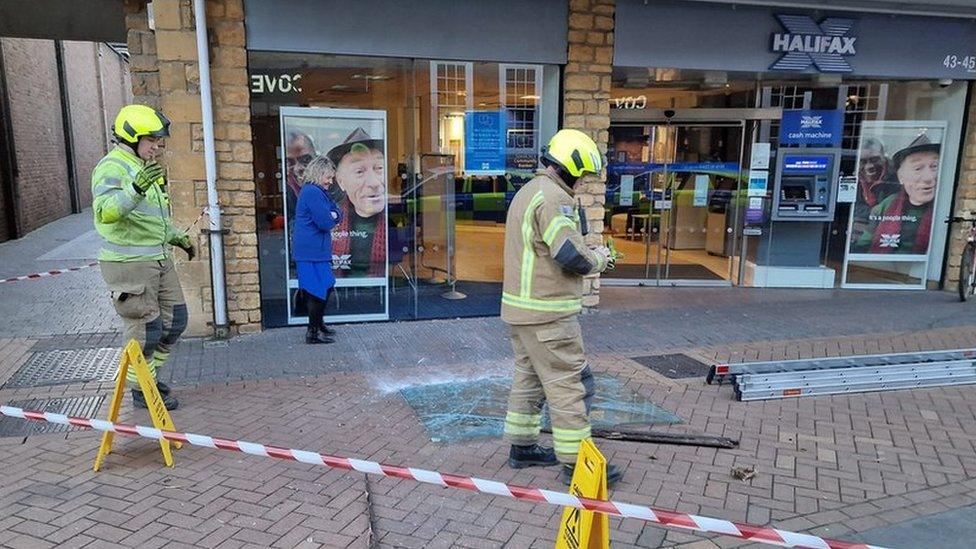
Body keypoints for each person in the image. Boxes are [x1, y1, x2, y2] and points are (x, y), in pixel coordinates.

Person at [500, 129, 621, 487]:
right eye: (582, 175)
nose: (582, 183)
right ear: (570, 166)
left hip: (521, 313)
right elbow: (570, 254)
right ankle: (576, 464)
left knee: (530, 379)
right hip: (548, 313)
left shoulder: (528, 192)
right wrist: (600, 258)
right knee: (571, 384)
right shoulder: (554, 198)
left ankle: (522, 448)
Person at [92, 105, 194, 411]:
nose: (157, 147)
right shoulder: (113, 167)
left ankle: (149, 376)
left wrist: (176, 236)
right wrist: (136, 189)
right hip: (130, 265)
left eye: (158, 142)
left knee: (176, 320)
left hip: (158, 258)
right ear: (131, 137)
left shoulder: (141, 165)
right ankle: (142, 388)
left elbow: (150, 219)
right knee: (145, 328)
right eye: (151, 141)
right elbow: (106, 211)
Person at [854, 133, 940, 254]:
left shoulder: (943, 208)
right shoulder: (886, 205)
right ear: (901, 176)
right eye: (918, 168)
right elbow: (861, 247)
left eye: (934, 167)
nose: (928, 177)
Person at [292, 156, 342, 344]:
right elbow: (325, 222)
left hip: (316, 250)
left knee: (326, 285)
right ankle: (312, 333)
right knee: (317, 290)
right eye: (328, 177)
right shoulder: (313, 192)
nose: (331, 181)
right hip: (310, 251)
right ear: (319, 173)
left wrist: (334, 213)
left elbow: (337, 211)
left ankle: (318, 324)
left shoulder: (318, 192)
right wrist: (333, 215)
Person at [326, 128, 386, 277]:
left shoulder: (394, 218)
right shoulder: (329, 219)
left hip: (380, 293)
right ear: (341, 181)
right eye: (359, 171)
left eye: (379, 168)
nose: (374, 182)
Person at [285, 131, 317, 225]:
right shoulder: (288, 194)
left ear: (316, 158)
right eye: (290, 162)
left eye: (305, 160)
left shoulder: (334, 187)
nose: (297, 168)